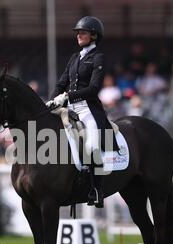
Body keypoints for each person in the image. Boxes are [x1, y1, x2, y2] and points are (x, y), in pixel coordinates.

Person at [46, 16, 119, 208]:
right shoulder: (74, 58)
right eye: (78, 32)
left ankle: (97, 189)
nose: (78, 35)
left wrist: (67, 96)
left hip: (88, 109)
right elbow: (61, 82)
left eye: (83, 32)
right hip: (68, 107)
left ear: (94, 35)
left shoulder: (98, 57)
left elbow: (94, 88)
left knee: (92, 146)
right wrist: (52, 100)